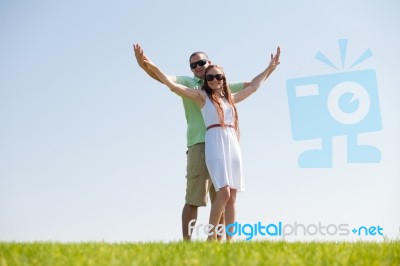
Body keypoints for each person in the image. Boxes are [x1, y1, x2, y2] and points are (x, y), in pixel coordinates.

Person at [133, 43, 279, 240]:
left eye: (202, 63)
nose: (199, 68)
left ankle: (221, 242)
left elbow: (253, 85)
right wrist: (147, 66)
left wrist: (270, 68)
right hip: (202, 144)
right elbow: (169, 82)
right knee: (197, 198)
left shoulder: (227, 92)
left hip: (230, 144)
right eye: (194, 66)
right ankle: (191, 242)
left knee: (226, 195)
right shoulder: (196, 90)